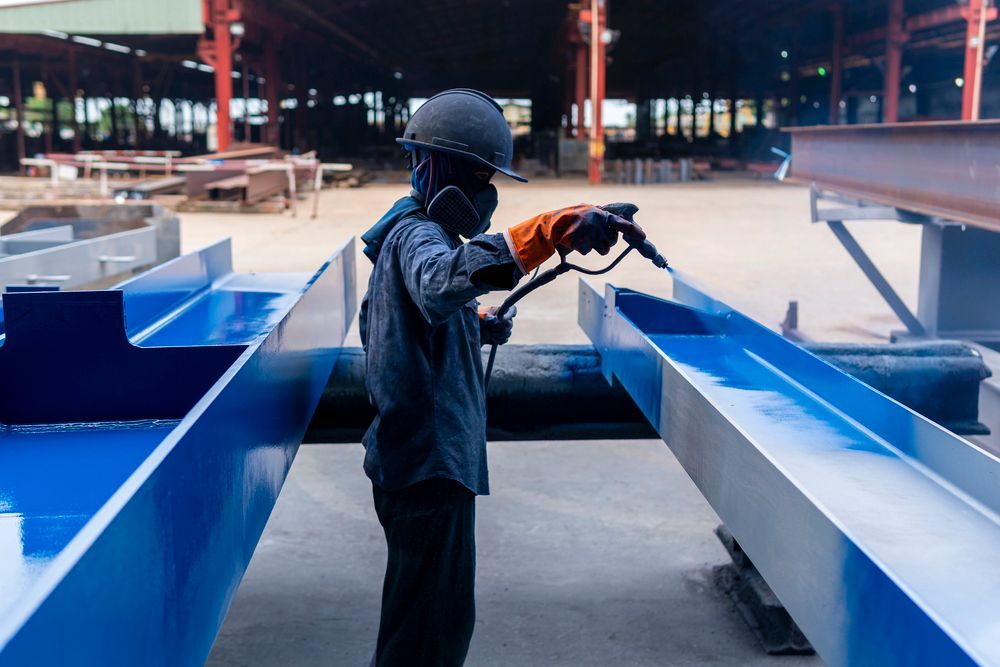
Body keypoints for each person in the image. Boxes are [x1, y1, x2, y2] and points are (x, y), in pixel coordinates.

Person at [359, 88, 644, 667]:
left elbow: (399, 321)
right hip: (428, 467)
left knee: (423, 622)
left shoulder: (410, 235)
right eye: (475, 177)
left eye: (489, 180)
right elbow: (438, 282)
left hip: (416, 463)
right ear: (431, 165)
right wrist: (544, 233)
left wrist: (473, 322)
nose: (484, 195)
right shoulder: (419, 235)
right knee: (428, 637)